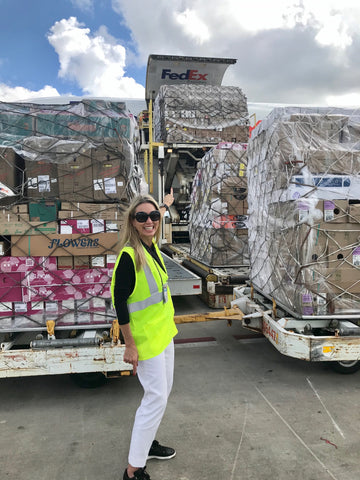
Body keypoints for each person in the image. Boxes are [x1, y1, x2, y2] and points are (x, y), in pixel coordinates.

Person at [111, 188, 178, 480]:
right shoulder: (129, 256)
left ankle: (147, 444)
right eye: (142, 217)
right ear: (132, 221)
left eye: (153, 216)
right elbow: (120, 303)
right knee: (156, 398)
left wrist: (164, 205)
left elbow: (158, 214)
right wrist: (130, 346)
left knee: (161, 396)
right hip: (145, 341)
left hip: (164, 334)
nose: (149, 221)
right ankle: (133, 468)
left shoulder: (152, 245)